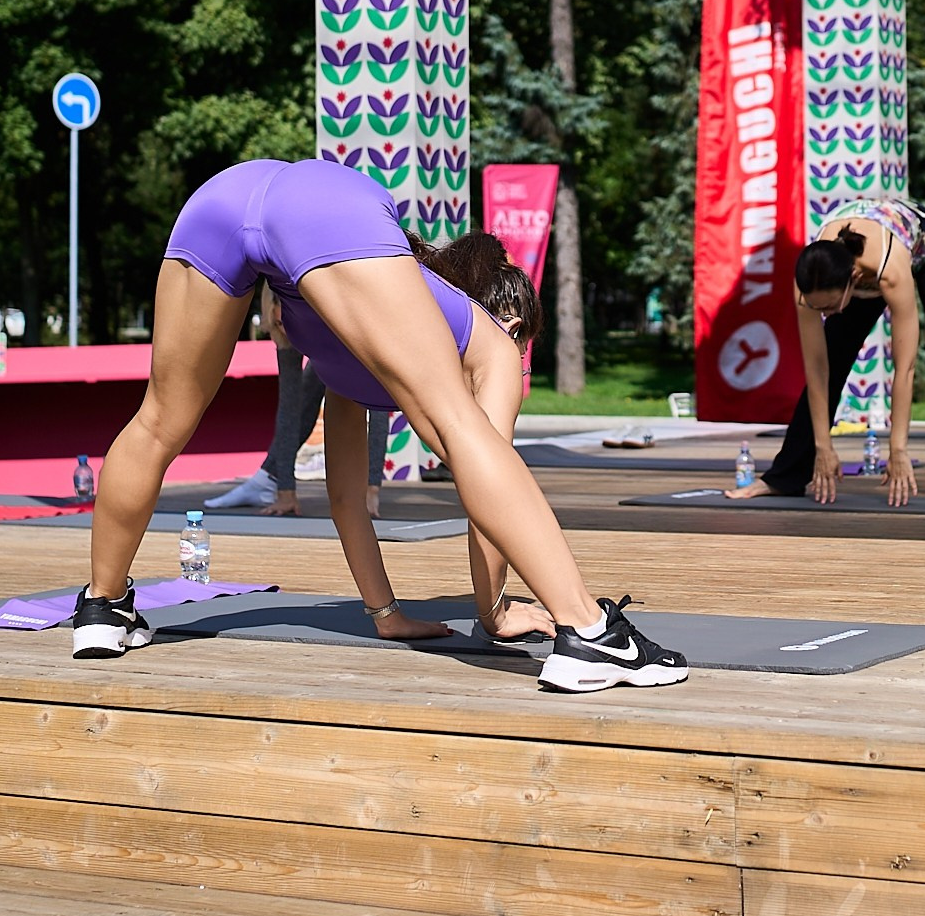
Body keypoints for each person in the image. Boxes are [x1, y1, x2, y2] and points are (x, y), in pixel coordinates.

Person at [73, 157, 687, 693]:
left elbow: (344, 498)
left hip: (222, 198)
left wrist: (385, 612)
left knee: (159, 420)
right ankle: (592, 633)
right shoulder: (492, 344)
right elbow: (487, 492)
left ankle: (102, 606)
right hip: (323, 206)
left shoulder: (351, 338)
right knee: (458, 427)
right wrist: (493, 612)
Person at [727, 196, 925, 509]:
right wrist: (823, 446)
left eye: (828, 307)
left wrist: (898, 449)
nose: (823, 315)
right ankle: (784, 477)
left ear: (853, 282)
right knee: (833, 357)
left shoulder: (889, 271)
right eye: (816, 308)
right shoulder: (810, 280)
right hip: (856, 261)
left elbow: (905, 368)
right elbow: (817, 368)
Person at [203, 284, 384, 517]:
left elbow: (377, 407)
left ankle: (270, 478)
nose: (286, 330)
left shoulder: (338, 316)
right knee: (307, 393)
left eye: (287, 322)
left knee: (362, 393)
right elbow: (289, 408)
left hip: (357, 314)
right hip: (314, 315)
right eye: (279, 324)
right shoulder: (282, 324)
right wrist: (286, 492)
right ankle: (270, 478)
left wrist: (370, 490)